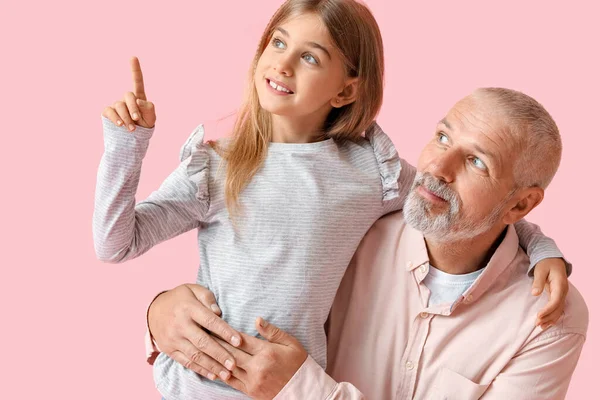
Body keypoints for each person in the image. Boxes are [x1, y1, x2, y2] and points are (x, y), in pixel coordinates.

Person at [94, 0, 570, 398]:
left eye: (310, 57)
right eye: (278, 43)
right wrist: (125, 147)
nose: (282, 63)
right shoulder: (216, 168)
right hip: (198, 384)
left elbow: (460, 209)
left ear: (346, 89)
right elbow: (116, 243)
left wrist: (540, 248)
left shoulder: (369, 174)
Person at [149, 88, 587, 399]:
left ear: (521, 204)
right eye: (442, 137)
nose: (438, 166)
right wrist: (161, 315)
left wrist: (298, 390)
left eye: (475, 161)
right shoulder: (355, 226)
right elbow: (245, 297)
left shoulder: (548, 316)